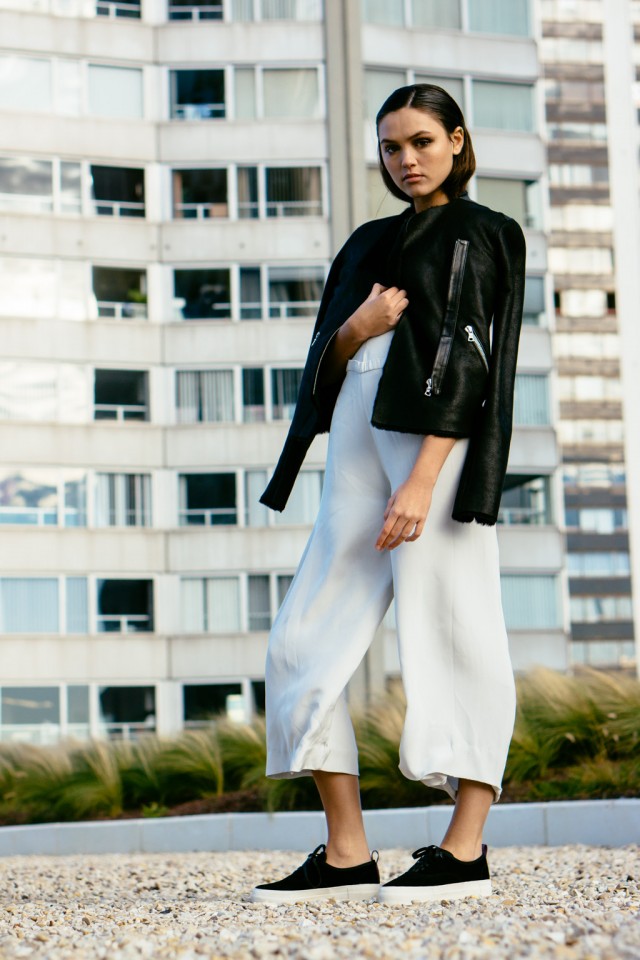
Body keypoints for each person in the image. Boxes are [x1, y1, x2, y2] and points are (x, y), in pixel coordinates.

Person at [250, 84, 525, 905]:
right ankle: (347, 854)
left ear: (456, 141)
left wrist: (423, 478)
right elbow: (323, 361)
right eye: (392, 147)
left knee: (457, 629)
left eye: (422, 142)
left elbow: (472, 360)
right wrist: (356, 330)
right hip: (357, 445)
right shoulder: (367, 243)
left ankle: (465, 848)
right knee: (300, 638)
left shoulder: (484, 230)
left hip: (431, 450)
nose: (406, 159)